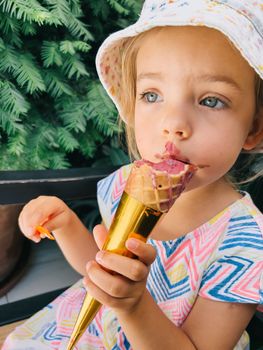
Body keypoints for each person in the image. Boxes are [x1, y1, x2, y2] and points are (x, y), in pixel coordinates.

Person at [3, 1, 263, 349]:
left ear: (254, 128)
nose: (173, 124)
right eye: (152, 95)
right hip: (94, 327)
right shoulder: (130, 182)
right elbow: (98, 271)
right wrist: (64, 224)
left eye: (211, 101)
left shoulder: (247, 245)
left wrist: (134, 305)